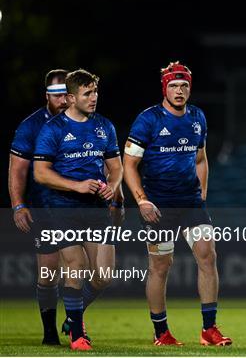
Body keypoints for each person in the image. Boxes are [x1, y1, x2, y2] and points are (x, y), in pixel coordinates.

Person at [123, 62, 232, 347]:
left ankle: (209, 329)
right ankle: (162, 333)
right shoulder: (148, 120)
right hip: (158, 206)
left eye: (184, 85)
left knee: (208, 255)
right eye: (173, 85)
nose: (179, 90)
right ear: (164, 88)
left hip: (191, 203)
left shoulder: (197, 117)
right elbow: (130, 164)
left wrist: (202, 195)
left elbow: (200, 159)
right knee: (161, 266)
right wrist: (141, 200)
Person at [33, 69, 123, 351]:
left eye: (95, 92)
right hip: (62, 208)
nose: (94, 98)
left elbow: (117, 167)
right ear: (71, 98)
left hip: (96, 209)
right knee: (76, 264)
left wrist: (111, 186)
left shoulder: (105, 126)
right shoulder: (53, 129)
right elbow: (40, 173)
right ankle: (77, 337)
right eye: (88, 93)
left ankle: (73, 316)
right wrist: (76, 186)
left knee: (104, 276)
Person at [9, 69, 69, 345]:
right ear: (47, 95)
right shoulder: (31, 126)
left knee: (92, 271)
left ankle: (75, 322)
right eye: (57, 95)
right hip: (44, 206)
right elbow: (18, 170)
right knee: (49, 271)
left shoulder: (88, 122)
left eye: (67, 94)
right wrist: (19, 205)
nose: (63, 100)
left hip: (80, 207)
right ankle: (49, 331)